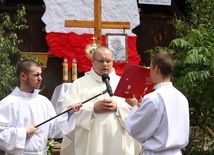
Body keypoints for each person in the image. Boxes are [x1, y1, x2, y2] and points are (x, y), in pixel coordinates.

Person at [60, 46, 141, 155]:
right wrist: (92, 109)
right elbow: (68, 113)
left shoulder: (123, 83)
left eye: (108, 61)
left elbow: (136, 110)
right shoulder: (79, 84)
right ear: (93, 61)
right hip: (91, 142)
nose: (105, 64)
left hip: (118, 142)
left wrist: (118, 107)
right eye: (101, 61)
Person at [0, 59, 82, 155]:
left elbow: (53, 128)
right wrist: (24, 132)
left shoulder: (44, 101)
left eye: (40, 74)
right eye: (36, 75)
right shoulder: (8, 103)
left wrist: (68, 113)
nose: (40, 78)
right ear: (23, 76)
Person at [124, 52, 190, 155]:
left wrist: (135, 107)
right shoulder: (181, 97)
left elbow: (136, 129)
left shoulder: (154, 98)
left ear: (156, 69)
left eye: (150, 68)